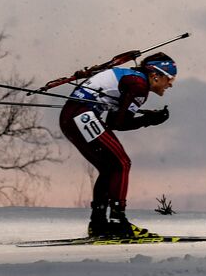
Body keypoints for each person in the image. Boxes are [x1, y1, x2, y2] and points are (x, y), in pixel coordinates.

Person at [59, 52, 176, 238]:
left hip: (72, 118)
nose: (171, 84)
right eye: (169, 78)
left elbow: (115, 122)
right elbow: (120, 123)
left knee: (110, 168)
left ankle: (98, 223)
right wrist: (148, 120)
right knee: (122, 163)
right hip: (81, 116)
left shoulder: (132, 79)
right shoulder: (139, 86)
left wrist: (146, 118)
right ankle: (117, 221)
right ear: (155, 75)